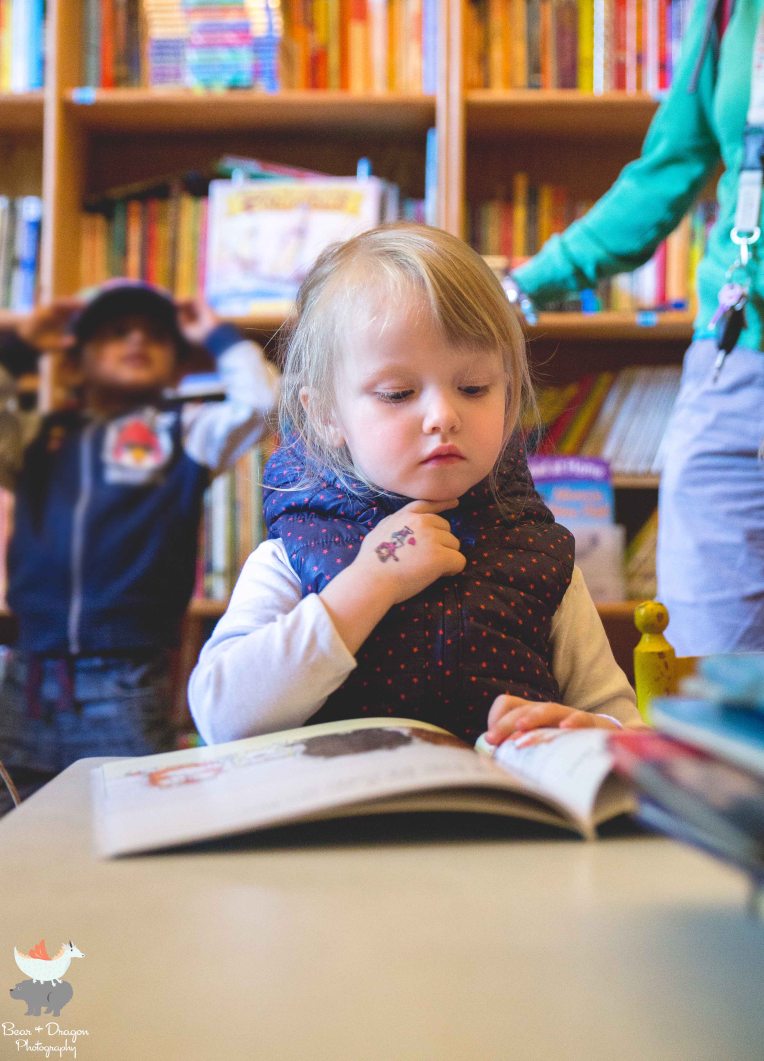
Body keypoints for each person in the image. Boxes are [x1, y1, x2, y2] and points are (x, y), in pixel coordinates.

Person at [188, 223, 641, 748]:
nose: (443, 415)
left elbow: (623, 727)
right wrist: (369, 583)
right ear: (327, 414)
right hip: (342, 801)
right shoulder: (290, 557)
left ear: (509, 397)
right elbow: (220, 715)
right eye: (398, 393)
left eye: (473, 388)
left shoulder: (541, 559)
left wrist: (589, 731)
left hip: (499, 802)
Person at [507, 0, 764, 657]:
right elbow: (664, 174)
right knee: (709, 663)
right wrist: (521, 285)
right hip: (736, 363)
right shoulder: (728, 12)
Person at [0, 280, 279, 810]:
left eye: (155, 335)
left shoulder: (183, 433)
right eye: (116, 331)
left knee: (138, 816)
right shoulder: (41, 438)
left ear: (176, 370)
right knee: (16, 822)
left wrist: (216, 335)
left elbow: (263, 402)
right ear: (76, 363)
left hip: (127, 681)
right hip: (27, 679)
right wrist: (21, 343)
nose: (136, 340)